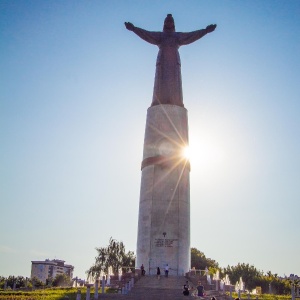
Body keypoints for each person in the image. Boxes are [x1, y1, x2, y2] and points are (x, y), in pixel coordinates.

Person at [125, 14, 217, 107]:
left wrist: (205, 31)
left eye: (170, 21)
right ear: (164, 23)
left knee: (174, 83)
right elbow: (147, 35)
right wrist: (134, 29)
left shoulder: (177, 36)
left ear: (173, 24)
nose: (169, 23)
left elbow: (191, 36)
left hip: (174, 62)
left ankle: (176, 102)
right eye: (167, 21)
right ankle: (159, 102)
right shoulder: (160, 36)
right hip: (163, 61)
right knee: (160, 83)